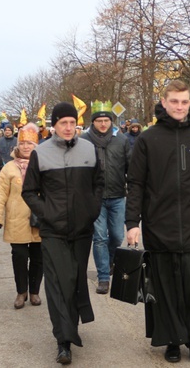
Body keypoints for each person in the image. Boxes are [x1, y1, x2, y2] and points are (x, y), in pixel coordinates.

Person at [127, 79, 190, 365]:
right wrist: (132, 222)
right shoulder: (148, 138)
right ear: (164, 102)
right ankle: (170, 339)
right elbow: (136, 184)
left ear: (189, 103)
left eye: (184, 102)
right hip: (159, 225)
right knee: (165, 286)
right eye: (174, 101)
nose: (179, 106)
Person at [22, 102, 102, 365]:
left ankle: (71, 328)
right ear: (53, 126)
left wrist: (92, 208)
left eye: (72, 122)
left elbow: (99, 183)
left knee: (75, 279)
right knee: (58, 283)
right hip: (53, 230)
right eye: (62, 123)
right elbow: (29, 191)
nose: (68, 128)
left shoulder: (89, 149)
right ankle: (63, 341)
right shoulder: (41, 153)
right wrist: (47, 213)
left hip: (82, 229)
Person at [0, 123, 43, 309]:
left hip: (39, 220)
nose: (26, 147)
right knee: (19, 256)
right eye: (23, 143)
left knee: (38, 257)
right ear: (17, 145)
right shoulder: (9, 168)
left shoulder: (44, 165)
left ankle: (34, 291)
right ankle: (21, 292)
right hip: (16, 220)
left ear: (36, 145)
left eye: (30, 143)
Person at [80, 101, 131, 295]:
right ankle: (103, 277)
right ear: (93, 122)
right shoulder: (84, 140)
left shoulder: (122, 140)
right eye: (99, 120)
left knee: (117, 236)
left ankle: (109, 261)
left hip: (118, 195)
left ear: (111, 121)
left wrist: (133, 188)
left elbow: (130, 166)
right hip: (95, 197)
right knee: (100, 237)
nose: (103, 124)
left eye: (106, 120)